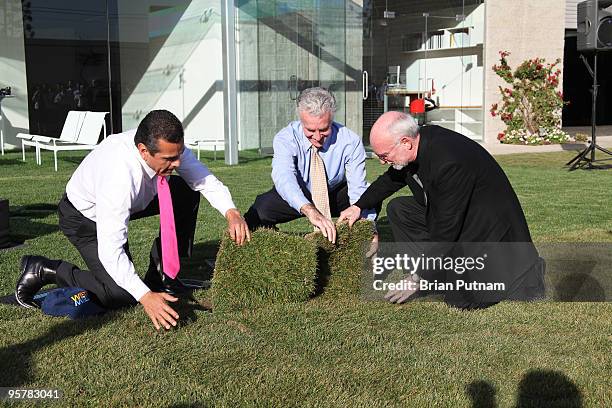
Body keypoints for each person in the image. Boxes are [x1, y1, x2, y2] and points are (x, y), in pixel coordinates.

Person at [15, 110, 250, 330]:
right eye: (169, 159)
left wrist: (232, 212)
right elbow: (111, 250)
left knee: (186, 190)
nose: (177, 164)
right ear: (143, 150)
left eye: (178, 155)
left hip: (136, 199)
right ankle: (47, 270)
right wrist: (145, 296)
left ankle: (162, 275)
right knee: (121, 294)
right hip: (84, 219)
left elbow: (202, 179)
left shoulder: (167, 147)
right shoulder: (119, 178)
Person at [339, 111, 545, 309]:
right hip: (460, 219)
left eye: (384, 155)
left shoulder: (449, 163)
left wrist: (416, 278)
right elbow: (390, 180)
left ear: (405, 142)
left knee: (461, 300)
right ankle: (430, 276)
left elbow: (446, 231)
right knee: (400, 209)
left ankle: (522, 275)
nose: (383, 161)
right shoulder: (417, 144)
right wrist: (358, 206)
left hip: (488, 233)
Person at [244, 87, 379, 245]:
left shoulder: (350, 141)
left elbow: (358, 190)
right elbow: (284, 177)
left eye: (323, 130)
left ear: (331, 119)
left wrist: (368, 228)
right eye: (310, 130)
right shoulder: (286, 138)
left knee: (371, 196)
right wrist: (308, 209)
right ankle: (273, 246)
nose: (316, 137)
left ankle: (353, 242)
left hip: (333, 194)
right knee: (260, 211)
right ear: (301, 120)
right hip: (297, 191)